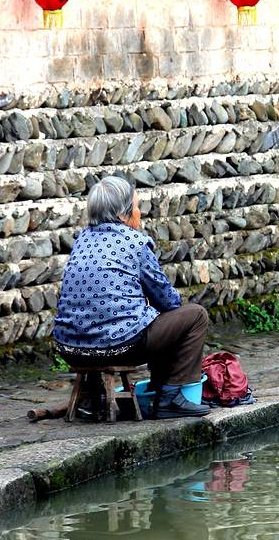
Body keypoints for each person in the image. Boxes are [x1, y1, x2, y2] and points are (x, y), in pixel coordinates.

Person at [53, 175, 210, 419]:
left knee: (128, 320)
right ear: (122, 214)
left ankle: (93, 396)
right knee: (195, 316)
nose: (139, 212)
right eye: (136, 207)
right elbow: (168, 301)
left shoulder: (82, 240)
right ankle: (169, 397)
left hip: (69, 348)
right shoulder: (134, 241)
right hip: (120, 347)